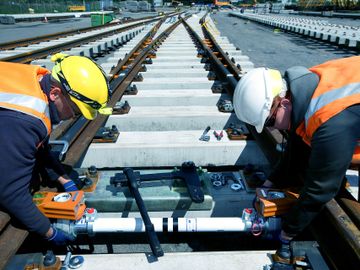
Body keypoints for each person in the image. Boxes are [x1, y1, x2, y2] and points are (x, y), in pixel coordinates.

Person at [233, 56, 360, 263]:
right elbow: (300, 140)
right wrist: (272, 181)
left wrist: (288, 231)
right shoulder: (308, 86)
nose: (272, 128)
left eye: (271, 121)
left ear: (284, 102)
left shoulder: (330, 119)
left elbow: (321, 189)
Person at [0, 53, 112, 245]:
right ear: (55, 94)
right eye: (76, 110)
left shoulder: (34, 79)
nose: (73, 117)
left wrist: (62, 178)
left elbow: (36, 146)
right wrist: (49, 232)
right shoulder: (25, 119)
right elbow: (10, 193)